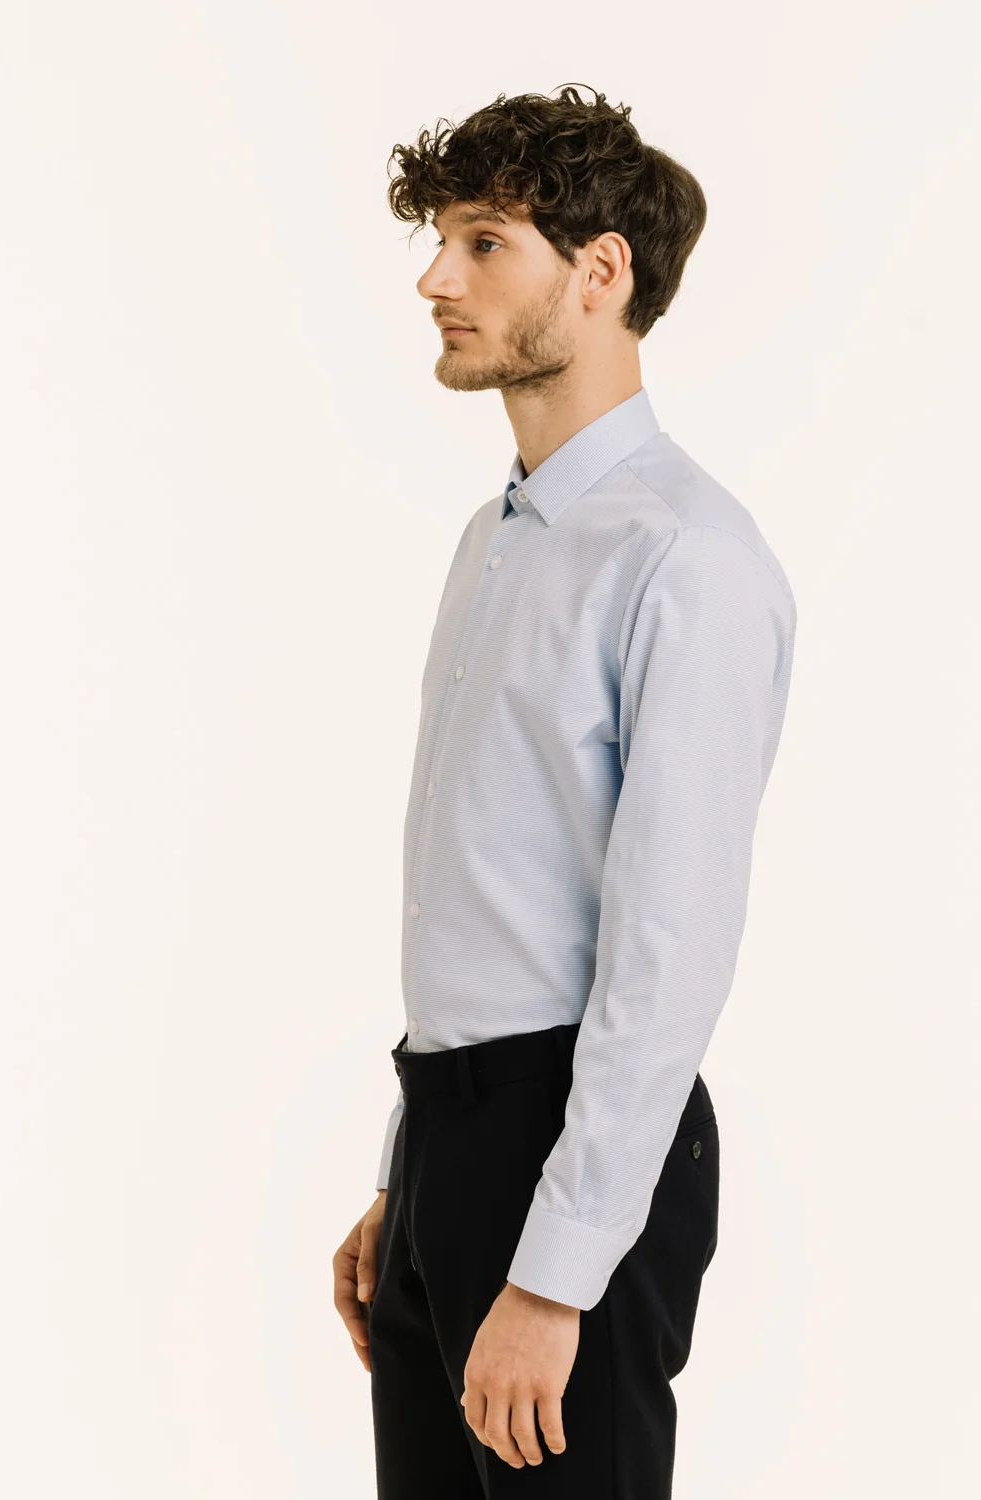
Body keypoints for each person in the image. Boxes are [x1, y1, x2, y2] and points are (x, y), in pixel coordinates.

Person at [331, 82, 796, 1498]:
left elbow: (668, 948)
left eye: (483, 243)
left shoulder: (686, 559)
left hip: (571, 1153)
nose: (436, 279)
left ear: (602, 272)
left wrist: (555, 1272)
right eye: (440, 243)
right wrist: (410, 1172)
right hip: (455, 1134)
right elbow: (491, 893)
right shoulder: (500, 536)